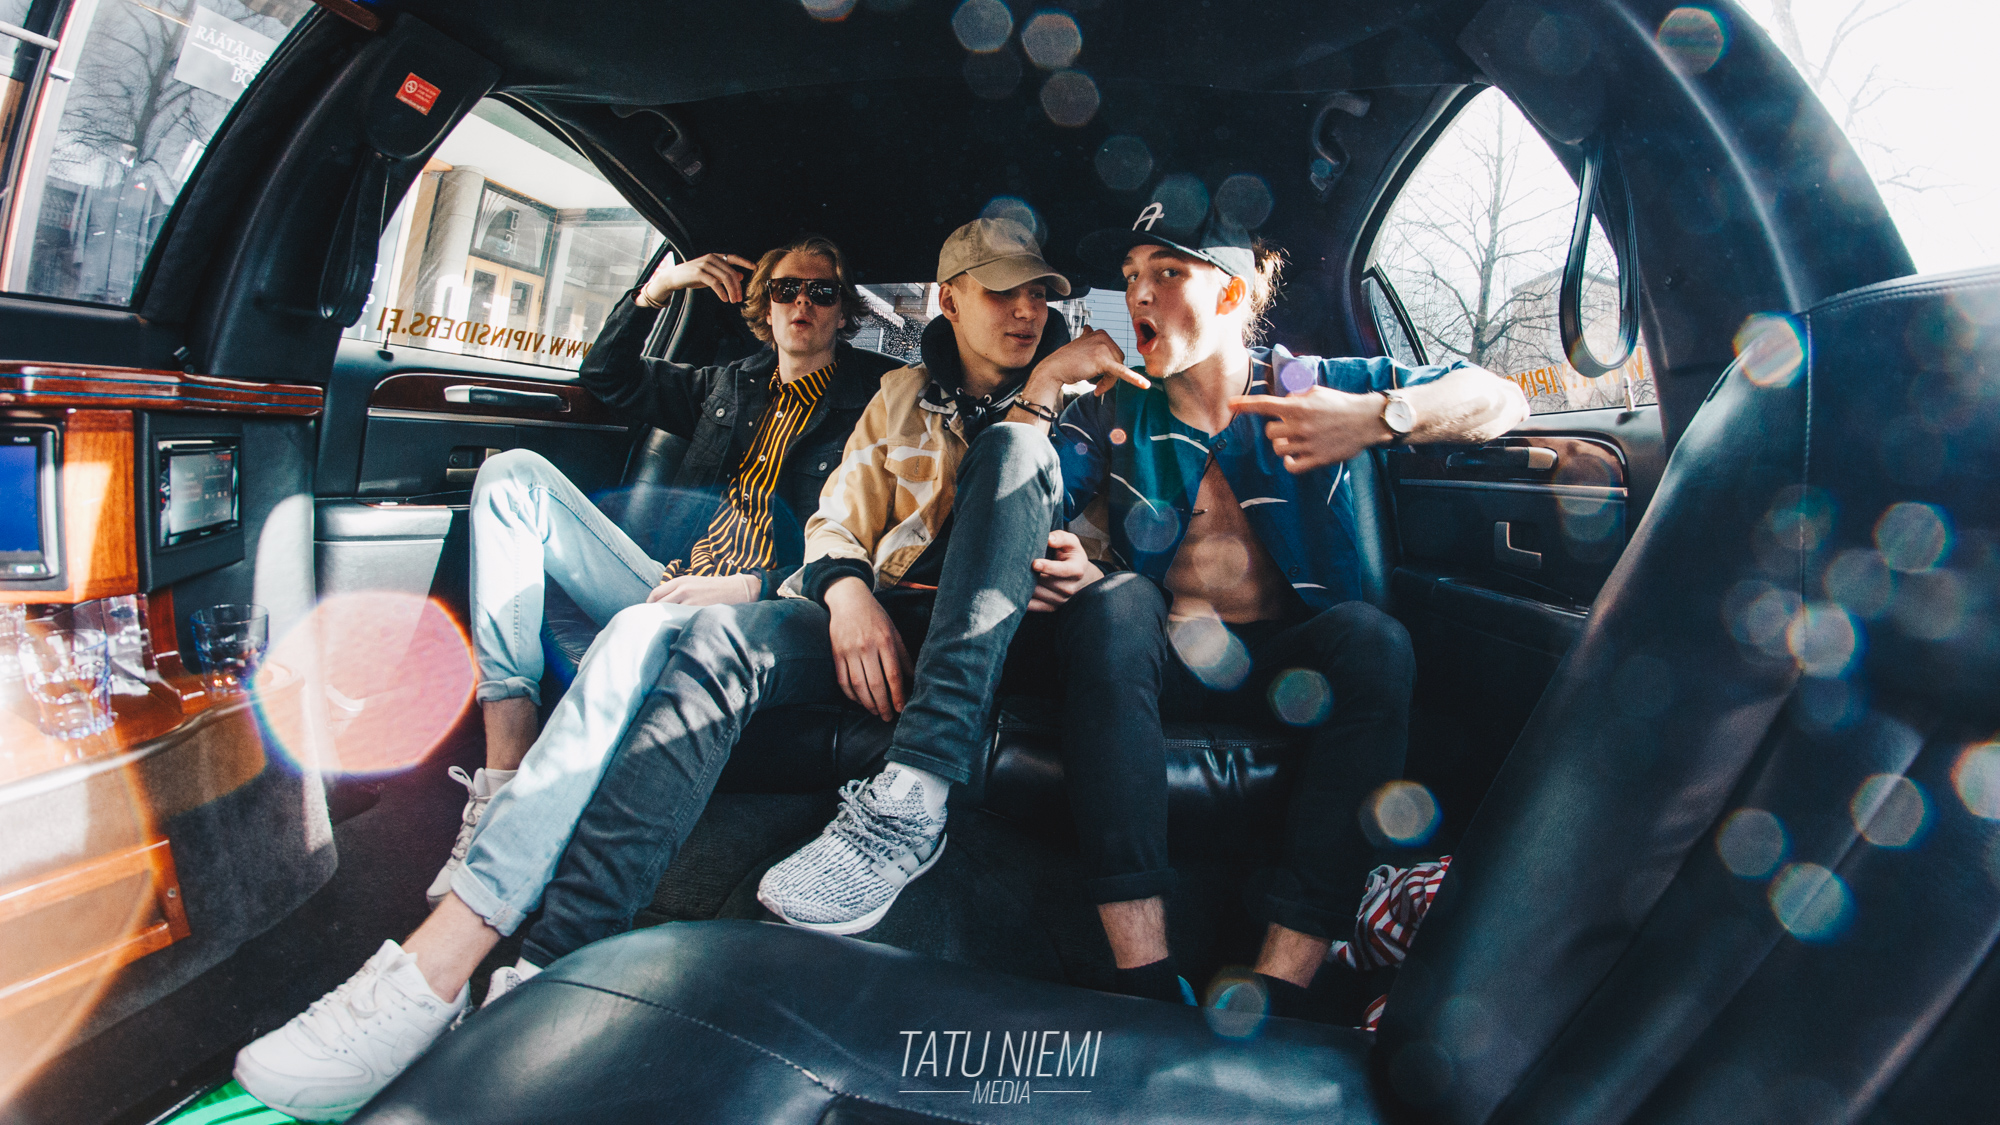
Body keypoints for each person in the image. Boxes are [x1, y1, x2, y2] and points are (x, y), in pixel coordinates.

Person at [231, 219, 1136, 1121]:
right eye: (1002, 290)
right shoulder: (872, 392)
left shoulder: (1075, 399)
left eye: (1039, 294)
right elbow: (833, 518)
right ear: (951, 298)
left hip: (965, 631)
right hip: (824, 604)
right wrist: (847, 589)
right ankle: (542, 969)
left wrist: (1086, 559)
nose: (1026, 310)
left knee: (656, 625)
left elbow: (1121, 539)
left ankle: (468, 951)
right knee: (668, 622)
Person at [1014, 193, 1528, 1008]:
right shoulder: (1113, 403)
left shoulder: (1314, 386)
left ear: (1231, 291)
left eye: (1167, 272)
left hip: (1287, 673)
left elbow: (1502, 399)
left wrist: (1381, 416)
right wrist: (1045, 387)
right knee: (1115, 603)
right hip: (1157, 660)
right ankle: (1143, 976)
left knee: (1374, 640)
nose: (1138, 292)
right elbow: (1012, 500)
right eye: (1131, 274)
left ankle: (1284, 984)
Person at [429, 236, 894, 908]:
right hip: (668, 580)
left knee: (635, 630)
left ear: (843, 311)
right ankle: (503, 776)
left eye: (822, 292)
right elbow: (606, 376)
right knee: (511, 476)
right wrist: (658, 290)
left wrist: (752, 585)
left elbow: (865, 538)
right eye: (785, 288)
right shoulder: (726, 384)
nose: (802, 303)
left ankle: (514, 867)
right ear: (764, 304)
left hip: (767, 610)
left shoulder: (876, 402)